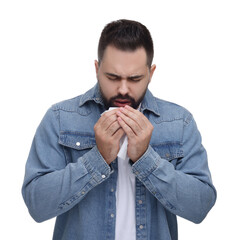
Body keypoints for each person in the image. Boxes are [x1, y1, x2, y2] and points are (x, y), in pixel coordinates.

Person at [22, 19, 217, 240]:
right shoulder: (60, 118)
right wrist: (98, 159)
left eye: (135, 79)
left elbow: (200, 206)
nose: (123, 89)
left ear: (151, 73)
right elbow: (36, 204)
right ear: (97, 69)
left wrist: (146, 159)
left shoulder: (179, 122)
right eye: (112, 77)